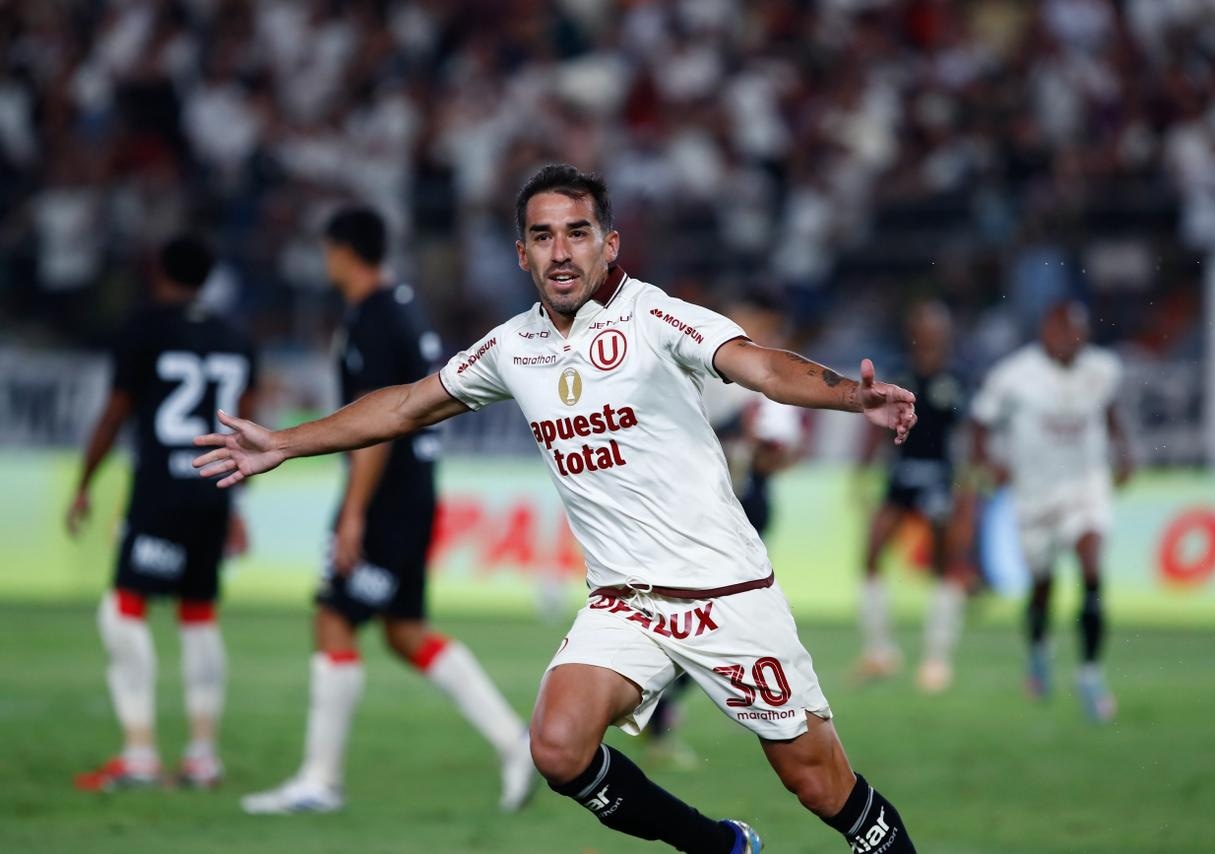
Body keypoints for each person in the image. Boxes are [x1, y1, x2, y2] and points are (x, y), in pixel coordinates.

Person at [194, 165, 919, 852]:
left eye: (577, 232)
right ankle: (718, 845)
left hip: (724, 593)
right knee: (558, 747)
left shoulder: (655, 315)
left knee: (819, 785)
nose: (561, 252)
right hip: (624, 604)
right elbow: (407, 405)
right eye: (543, 236)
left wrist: (850, 395)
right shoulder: (515, 347)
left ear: (610, 244)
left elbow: (760, 364)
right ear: (521, 254)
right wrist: (286, 444)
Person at [240, 206, 536, 815]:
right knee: (404, 634)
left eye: (328, 251)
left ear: (345, 252)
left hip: (386, 498)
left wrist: (352, 513)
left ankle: (320, 781)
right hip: (416, 491)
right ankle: (515, 743)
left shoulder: (373, 318)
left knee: (334, 616)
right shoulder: (405, 305)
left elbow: (375, 426)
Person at [66, 234, 257, 791]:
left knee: (123, 607)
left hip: (160, 492)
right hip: (215, 488)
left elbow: (116, 410)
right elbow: (245, 425)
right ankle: (201, 755)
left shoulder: (145, 326)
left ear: (159, 272)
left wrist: (84, 480)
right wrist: (239, 501)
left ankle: (141, 753)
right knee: (197, 612)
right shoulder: (235, 335)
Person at [646, 291, 805, 768]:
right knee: (712, 625)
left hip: (746, 515)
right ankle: (648, 706)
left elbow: (781, 457)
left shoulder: (776, 385)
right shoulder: (717, 373)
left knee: (714, 625)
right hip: (703, 515)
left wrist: (761, 450)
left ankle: (653, 709)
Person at [970, 300, 1133, 723]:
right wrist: (989, 464)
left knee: (1091, 567)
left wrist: (1124, 452)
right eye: (1059, 331)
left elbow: (1110, 412)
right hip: (1034, 496)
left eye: (1074, 332)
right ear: (1044, 331)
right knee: (1042, 584)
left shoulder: (1103, 369)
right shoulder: (1013, 375)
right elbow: (980, 421)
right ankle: (1040, 654)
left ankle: (1090, 674)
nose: (1067, 339)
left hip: (1086, 487)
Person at [855, 301, 974, 694]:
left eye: (933, 326)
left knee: (943, 564)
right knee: (871, 554)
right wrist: (864, 468)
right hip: (901, 474)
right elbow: (876, 424)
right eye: (921, 325)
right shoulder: (899, 372)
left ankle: (937, 659)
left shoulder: (957, 377)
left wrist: (971, 483)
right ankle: (880, 651)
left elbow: (971, 431)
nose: (927, 333)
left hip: (939, 476)